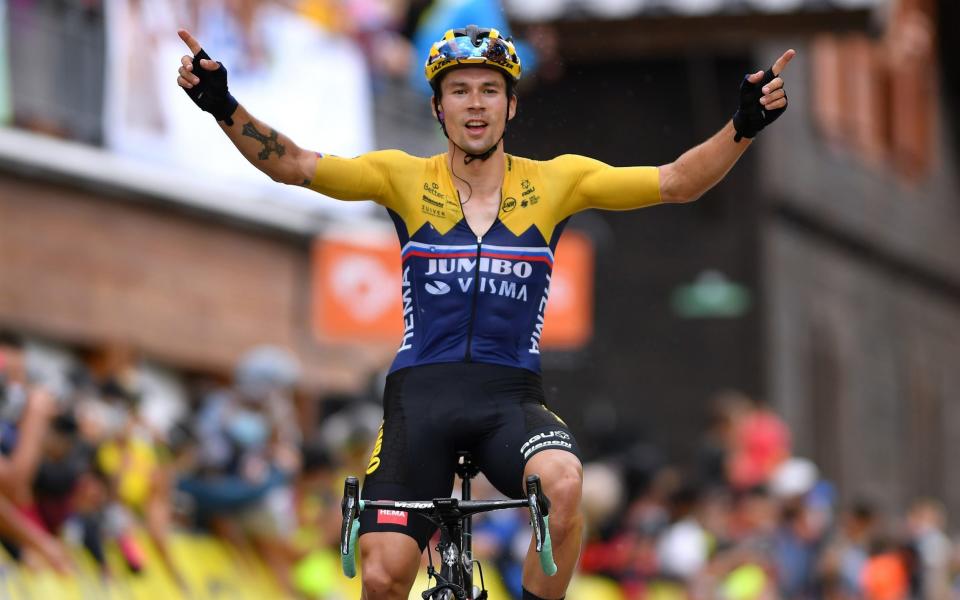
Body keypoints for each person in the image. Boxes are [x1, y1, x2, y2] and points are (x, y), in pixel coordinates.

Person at [175, 24, 794, 600]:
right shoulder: (400, 176)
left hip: (509, 401)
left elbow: (677, 181)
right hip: (420, 401)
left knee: (566, 482)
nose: (476, 104)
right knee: (386, 576)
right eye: (460, 91)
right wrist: (225, 108)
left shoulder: (559, 181)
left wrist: (742, 125)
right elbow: (295, 165)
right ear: (438, 107)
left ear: (512, 105)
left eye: (490, 91)